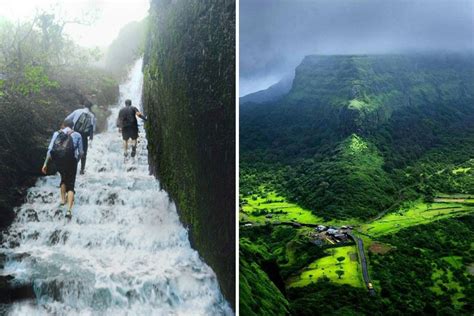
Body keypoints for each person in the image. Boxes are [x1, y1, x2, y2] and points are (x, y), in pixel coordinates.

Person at [41, 119, 83, 219]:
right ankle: (69, 210)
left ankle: (63, 200)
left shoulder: (57, 133)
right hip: (71, 161)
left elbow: (50, 150)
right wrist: (76, 161)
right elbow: (81, 152)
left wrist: (45, 164)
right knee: (71, 183)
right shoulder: (77, 135)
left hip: (59, 161)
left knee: (63, 178)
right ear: (73, 126)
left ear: (63, 125)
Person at [65, 100, 96, 174]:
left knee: (71, 150)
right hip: (84, 136)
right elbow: (93, 128)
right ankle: (82, 169)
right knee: (83, 152)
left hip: (74, 134)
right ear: (90, 107)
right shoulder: (92, 116)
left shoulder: (77, 111)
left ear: (83, 105)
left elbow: (67, 119)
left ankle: (69, 167)